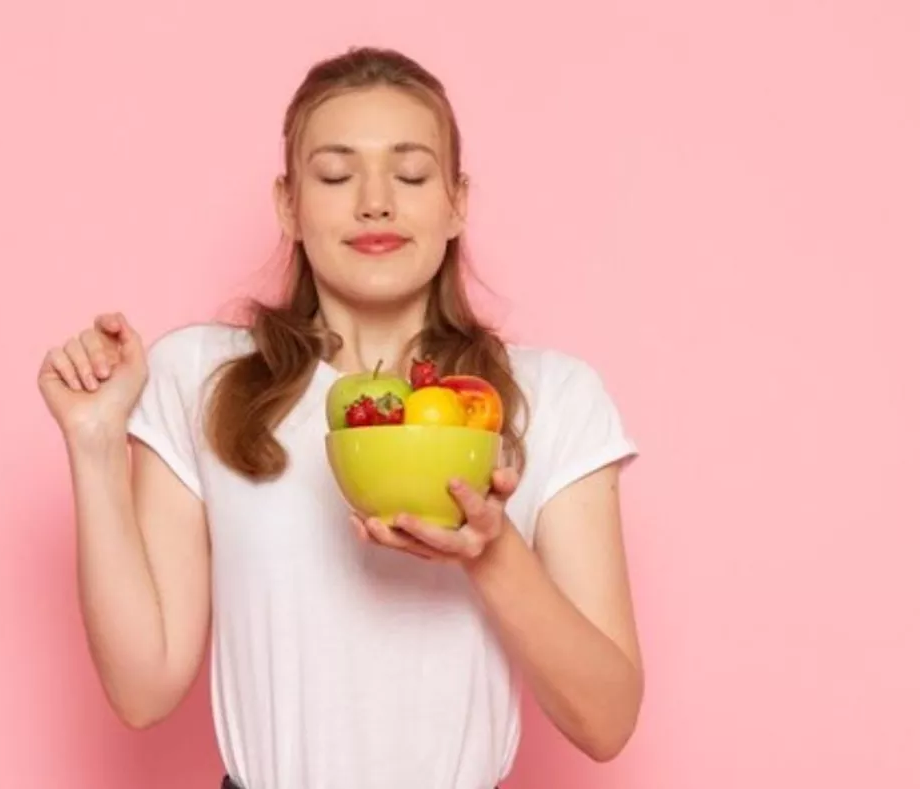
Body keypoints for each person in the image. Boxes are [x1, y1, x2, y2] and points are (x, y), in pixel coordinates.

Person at [37, 45, 644, 789]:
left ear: (457, 201)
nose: (375, 201)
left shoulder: (550, 398)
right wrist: (95, 444)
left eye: (412, 174)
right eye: (334, 174)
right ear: (288, 204)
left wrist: (490, 553)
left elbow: (608, 720)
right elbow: (143, 690)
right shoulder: (200, 379)